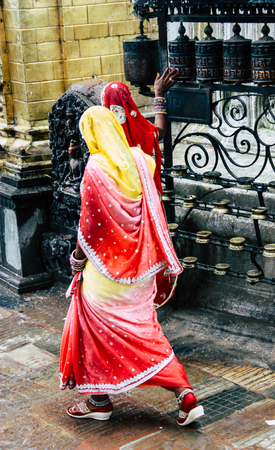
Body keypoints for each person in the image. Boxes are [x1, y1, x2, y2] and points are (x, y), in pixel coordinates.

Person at [59, 105, 204, 427]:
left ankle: (99, 402)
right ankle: (182, 394)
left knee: (93, 331)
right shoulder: (141, 159)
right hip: (143, 267)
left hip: (105, 270)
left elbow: (89, 227)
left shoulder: (96, 168)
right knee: (142, 329)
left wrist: (77, 258)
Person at [101, 67, 178, 198]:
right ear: (128, 101)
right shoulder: (140, 128)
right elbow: (161, 131)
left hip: (116, 199)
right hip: (141, 195)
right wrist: (159, 95)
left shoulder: (101, 133)